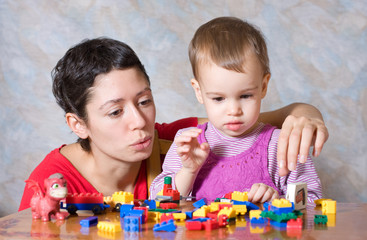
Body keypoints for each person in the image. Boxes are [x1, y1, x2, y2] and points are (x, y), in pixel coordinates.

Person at [19, 37, 327, 211]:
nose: (140, 122)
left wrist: (308, 113)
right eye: (115, 112)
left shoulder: (173, 139)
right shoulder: (50, 183)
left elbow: (247, 120)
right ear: (78, 124)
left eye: (144, 101)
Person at [150, 17, 322, 203]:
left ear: (263, 86)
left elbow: (311, 201)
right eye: (218, 98)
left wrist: (277, 201)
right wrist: (188, 171)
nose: (233, 110)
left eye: (245, 96)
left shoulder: (281, 145)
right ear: (198, 91)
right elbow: (157, 202)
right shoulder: (188, 144)